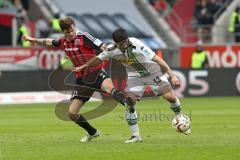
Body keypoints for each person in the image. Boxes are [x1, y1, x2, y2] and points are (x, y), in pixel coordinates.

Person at [22, 17, 133, 142]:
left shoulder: (84, 37)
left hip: (96, 72)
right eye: (67, 32)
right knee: (71, 114)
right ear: (63, 32)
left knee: (111, 89)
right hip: (82, 80)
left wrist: (114, 55)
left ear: (74, 27)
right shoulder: (63, 41)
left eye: (72, 30)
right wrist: (32, 39)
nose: (71, 33)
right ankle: (93, 132)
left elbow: (102, 46)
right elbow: (49, 41)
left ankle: (130, 107)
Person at [72, 28, 190, 143]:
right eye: (121, 43)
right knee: (129, 102)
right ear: (116, 43)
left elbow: (157, 59)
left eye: (125, 42)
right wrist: (83, 67)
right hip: (135, 77)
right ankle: (135, 136)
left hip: (152, 71)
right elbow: (98, 58)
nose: (124, 45)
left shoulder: (137, 44)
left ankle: (180, 119)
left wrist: (172, 75)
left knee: (170, 97)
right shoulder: (111, 50)